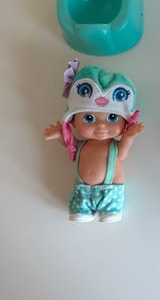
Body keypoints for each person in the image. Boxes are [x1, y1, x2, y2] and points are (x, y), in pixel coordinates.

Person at [44, 59, 144, 222]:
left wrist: (129, 136)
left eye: (112, 117)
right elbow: (71, 145)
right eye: (89, 118)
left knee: (110, 216)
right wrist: (60, 135)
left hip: (111, 191)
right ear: (73, 121)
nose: (101, 126)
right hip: (82, 190)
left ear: (125, 123)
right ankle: (82, 212)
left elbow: (122, 154)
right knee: (78, 215)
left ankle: (109, 212)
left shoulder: (114, 147)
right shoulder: (82, 144)